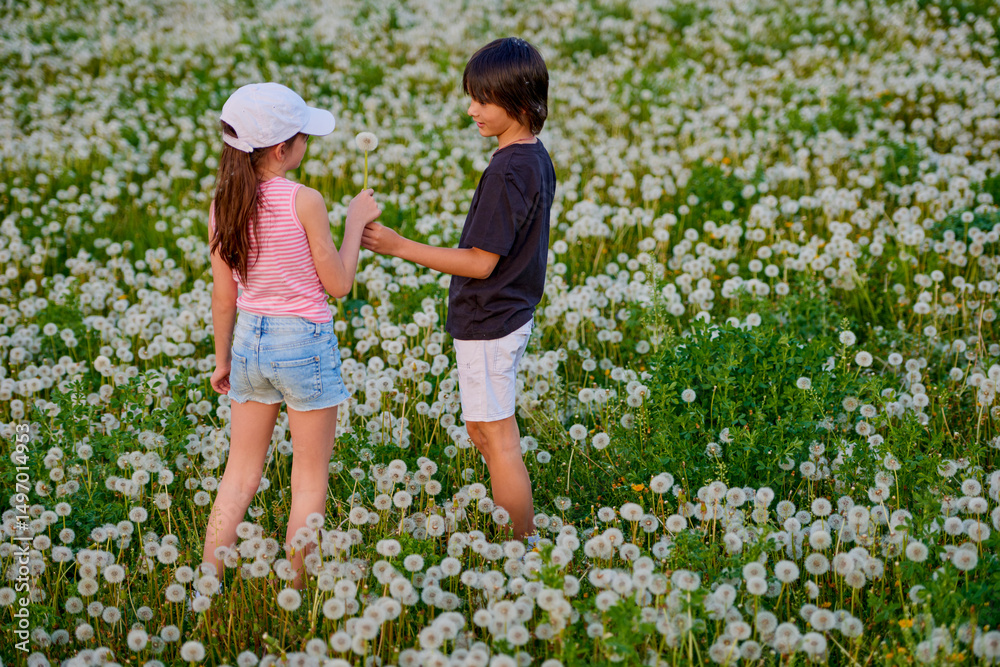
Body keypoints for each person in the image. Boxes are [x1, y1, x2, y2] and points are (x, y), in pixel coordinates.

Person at [362, 38, 555, 541]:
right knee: (485, 431)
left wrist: (398, 245)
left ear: (522, 100)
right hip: (505, 312)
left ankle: (521, 546)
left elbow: (479, 262)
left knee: (496, 436)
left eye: (483, 100)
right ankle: (520, 538)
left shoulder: (508, 170)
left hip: (491, 317)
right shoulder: (532, 157)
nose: (471, 110)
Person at [202, 82, 381, 590]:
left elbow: (223, 296)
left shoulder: (222, 204)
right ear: (283, 148)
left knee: (238, 476)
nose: (307, 143)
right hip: (303, 344)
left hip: (248, 346)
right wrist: (356, 222)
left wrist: (222, 360)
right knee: (308, 477)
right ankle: (296, 590)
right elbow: (339, 285)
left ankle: (206, 584)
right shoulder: (305, 200)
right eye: (304, 136)